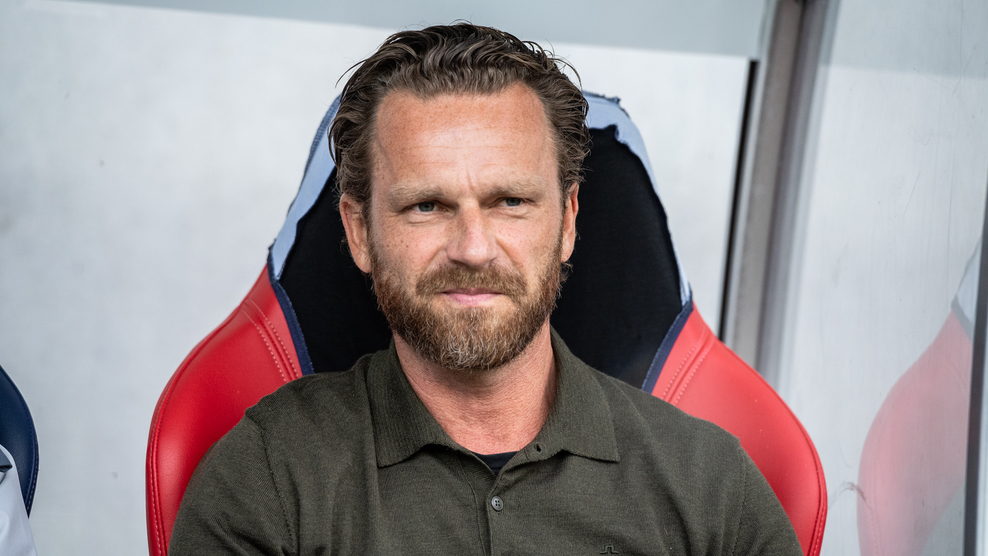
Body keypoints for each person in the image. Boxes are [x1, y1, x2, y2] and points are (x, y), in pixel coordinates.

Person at [169, 23, 801, 555]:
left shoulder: (712, 488)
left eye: (510, 202)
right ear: (359, 232)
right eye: (426, 206)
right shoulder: (267, 480)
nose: (473, 248)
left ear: (568, 222)